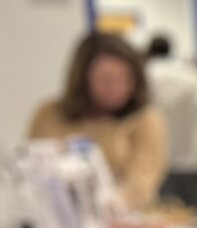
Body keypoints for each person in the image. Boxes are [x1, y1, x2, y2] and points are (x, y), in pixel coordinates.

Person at [26, 31, 168, 209]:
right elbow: (31, 170)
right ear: (82, 78)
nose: (118, 88)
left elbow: (141, 183)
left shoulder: (144, 120)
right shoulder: (48, 114)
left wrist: (110, 202)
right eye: (106, 79)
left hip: (120, 222)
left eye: (127, 79)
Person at [143, 33, 197, 206]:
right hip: (194, 161)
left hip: (158, 164)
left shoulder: (143, 77)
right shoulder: (193, 76)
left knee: (163, 220)